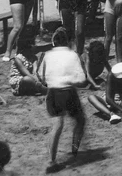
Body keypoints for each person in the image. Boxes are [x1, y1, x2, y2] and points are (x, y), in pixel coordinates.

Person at [37, 27, 88, 173]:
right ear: (68, 41)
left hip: (52, 93)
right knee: (80, 120)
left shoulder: (47, 55)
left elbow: (40, 76)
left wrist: (52, 81)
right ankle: (74, 150)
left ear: (54, 42)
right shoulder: (73, 55)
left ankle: (51, 160)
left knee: (57, 126)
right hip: (68, 92)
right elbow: (82, 79)